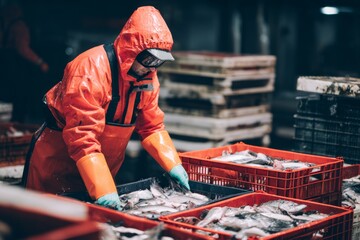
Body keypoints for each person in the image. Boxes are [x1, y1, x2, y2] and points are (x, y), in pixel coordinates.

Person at [21, 6, 190, 210]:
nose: (152, 68)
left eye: (159, 62)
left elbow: (152, 127)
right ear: (131, 50)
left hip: (100, 172)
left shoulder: (147, 78)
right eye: (149, 59)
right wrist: (103, 188)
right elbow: (82, 137)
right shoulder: (89, 69)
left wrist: (173, 164)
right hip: (57, 165)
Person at [0, 2, 49, 122]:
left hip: (7, 67)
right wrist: (40, 62)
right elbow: (22, 48)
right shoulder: (19, 26)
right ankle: (16, 125)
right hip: (16, 69)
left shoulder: (6, 25)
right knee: (18, 99)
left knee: (9, 97)